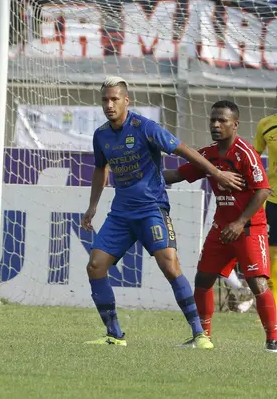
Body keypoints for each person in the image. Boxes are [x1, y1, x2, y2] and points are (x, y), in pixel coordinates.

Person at [81, 76, 243, 348]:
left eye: (114, 99)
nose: (109, 105)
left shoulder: (145, 128)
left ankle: (199, 334)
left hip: (151, 209)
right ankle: (114, 334)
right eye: (105, 100)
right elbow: (101, 169)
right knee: (95, 266)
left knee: (169, 265)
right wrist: (92, 206)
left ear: (126, 100)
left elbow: (184, 150)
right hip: (121, 214)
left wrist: (215, 173)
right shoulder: (101, 135)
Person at [163, 100, 276, 352]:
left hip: (249, 228)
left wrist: (240, 222)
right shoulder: (207, 155)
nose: (215, 124)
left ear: (235, 124)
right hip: (222, 228)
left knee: (257, 282)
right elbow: (178, 175)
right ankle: (202, 336)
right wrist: (144, 176)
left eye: (222, 120)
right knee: (203, 278)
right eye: (213, 120)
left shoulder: (245, 153)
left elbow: (263, 190)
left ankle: (273, 339)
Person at [254, 110, 277, 304]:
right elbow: (254, 157)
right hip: (274, 199)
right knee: (271, 254)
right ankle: (273, 305)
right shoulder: (266, 124)